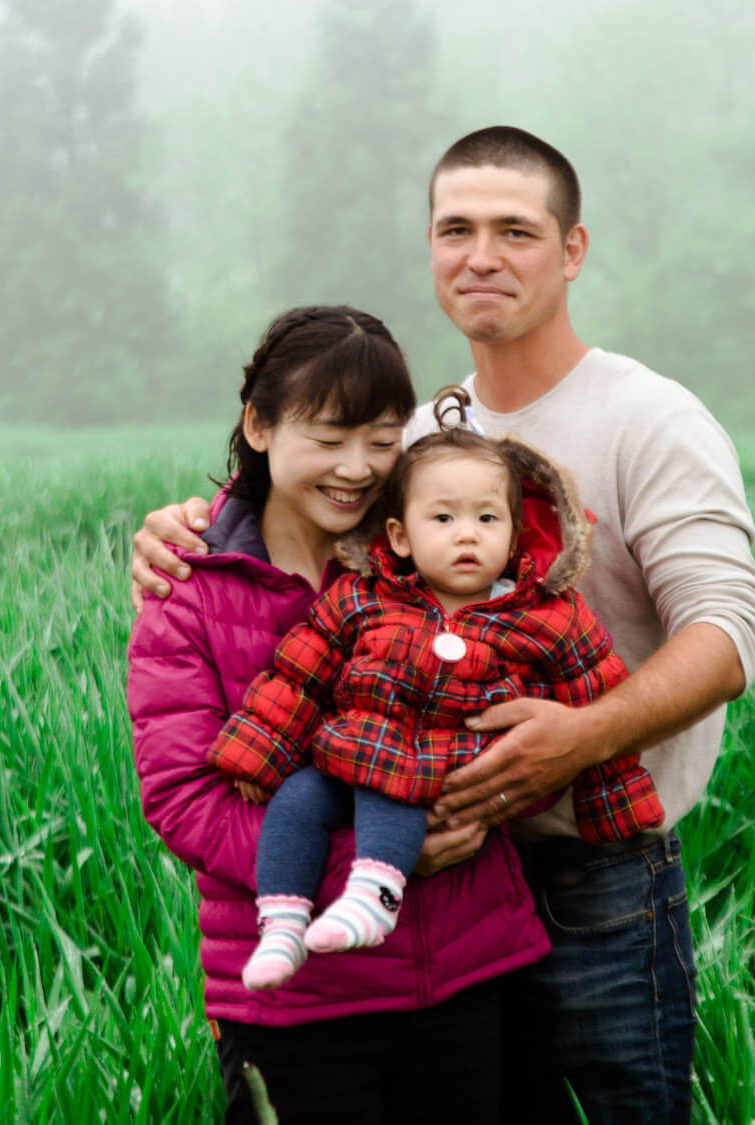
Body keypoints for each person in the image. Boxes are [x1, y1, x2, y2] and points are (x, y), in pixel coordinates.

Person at [130, 129, 755, 1125]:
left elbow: (727, 634)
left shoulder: (649, 418)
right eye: (455, 229)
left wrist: (577, 740)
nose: (482, 255)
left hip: (594, 874)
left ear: (573, 249)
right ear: (429, 247)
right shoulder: (423, 435)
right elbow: (303, 497)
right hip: (445, 882)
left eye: (516, 230)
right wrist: (184, 528)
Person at [126, 306, 551, 1125]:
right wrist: (382, 866)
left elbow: (532, 715)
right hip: (297, 1007)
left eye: (382, 438)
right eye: (327, 438)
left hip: (473, 975)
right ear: (258, 424)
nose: (356, 467)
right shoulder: (188, 592)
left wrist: (486, 800)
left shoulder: (437, 557)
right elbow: (185, 799)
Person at [208, 389, 664, 991]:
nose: (466, 536)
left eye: (487, 518)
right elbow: (301, 673)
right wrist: (256, 755)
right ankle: (283, 921)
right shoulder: (365, 598)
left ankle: (374, 895)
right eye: (443, 519)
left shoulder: (541, 614)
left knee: (388, 777)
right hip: (351, 753)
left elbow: (595, 692)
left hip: (447, 766)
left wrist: (618, 809)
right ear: (399, 536)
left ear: (517, 531)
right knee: (295, 800)